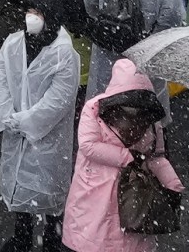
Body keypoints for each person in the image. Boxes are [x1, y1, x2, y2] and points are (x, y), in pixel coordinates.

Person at [0, 0, 80, 252]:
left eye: (38, 13)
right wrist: (7, 115)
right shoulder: (14, 43)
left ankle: (53, 238)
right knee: (19, 183)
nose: (31, 18)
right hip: (16, 129)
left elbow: (58, 101)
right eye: (29, 11)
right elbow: (0, 79)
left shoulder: (64, 53)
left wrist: (25, 121)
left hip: (49, 135)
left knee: (50, 189)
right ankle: (22, 236)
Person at [62, 60, 181, 252]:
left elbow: (156, 156)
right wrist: (128, 157)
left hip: (133, 197)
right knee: (92, 241)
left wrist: (173, 185)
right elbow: (89, 146)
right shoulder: (94, 108)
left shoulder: (150, 118)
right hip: (96, 196)